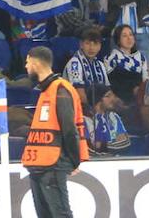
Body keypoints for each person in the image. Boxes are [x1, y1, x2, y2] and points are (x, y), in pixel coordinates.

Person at [22, 45, 87, 218]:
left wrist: (74, 161)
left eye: (27, 63)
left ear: (36, 63)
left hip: (53, 163)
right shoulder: (46, 90)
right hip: (39, 164)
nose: (26, 67)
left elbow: (69, 128)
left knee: (60, 214)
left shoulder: (59, 89)